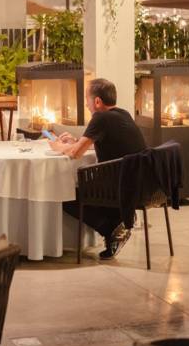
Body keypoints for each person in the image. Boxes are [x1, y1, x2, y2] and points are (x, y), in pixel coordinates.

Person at [48, 78, 146, 259]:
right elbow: (102, 142)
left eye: (87, 99)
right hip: (139, 182)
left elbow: (76, 154)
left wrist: (58, 147)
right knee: (84, 185)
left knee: (65, 194)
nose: (86, 104)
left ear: (97, 102)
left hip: (119, 184)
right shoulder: (123, 114)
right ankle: (118, 222)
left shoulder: (100, 118)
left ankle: (110, 229)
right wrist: (75, 142)